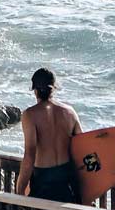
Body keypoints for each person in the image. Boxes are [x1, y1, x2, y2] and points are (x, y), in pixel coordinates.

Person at [16, 68, 83, 203]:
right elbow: (83, 147)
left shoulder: (30, 115)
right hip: (67, 180)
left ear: (34, 90)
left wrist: (20, 189)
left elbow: (30, 154)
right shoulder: (70, 112)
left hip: (43, 180)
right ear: (54, 88)